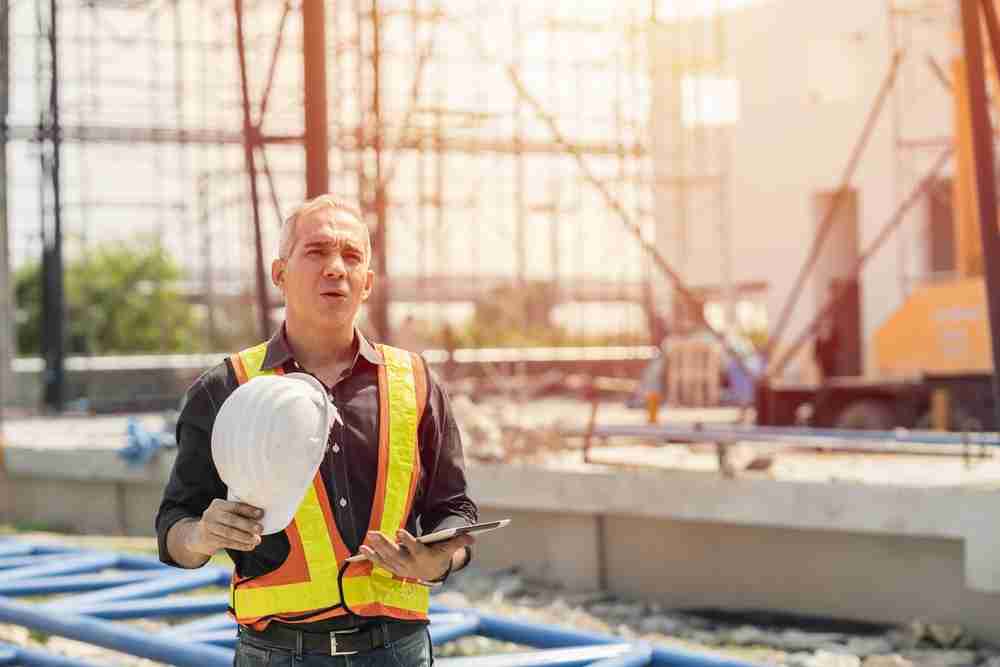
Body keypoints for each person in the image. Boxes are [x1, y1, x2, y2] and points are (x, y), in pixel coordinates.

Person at [156, 194, 478, 666]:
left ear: (367, 283)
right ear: (279, 273)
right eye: (317, 251)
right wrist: (203, 535)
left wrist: (441, 560)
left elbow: (456, 510)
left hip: (398, 651)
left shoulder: (417, 384)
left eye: (351, 256)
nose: (335, 268)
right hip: (278, 653)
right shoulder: (226, 389)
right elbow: (172, 530)